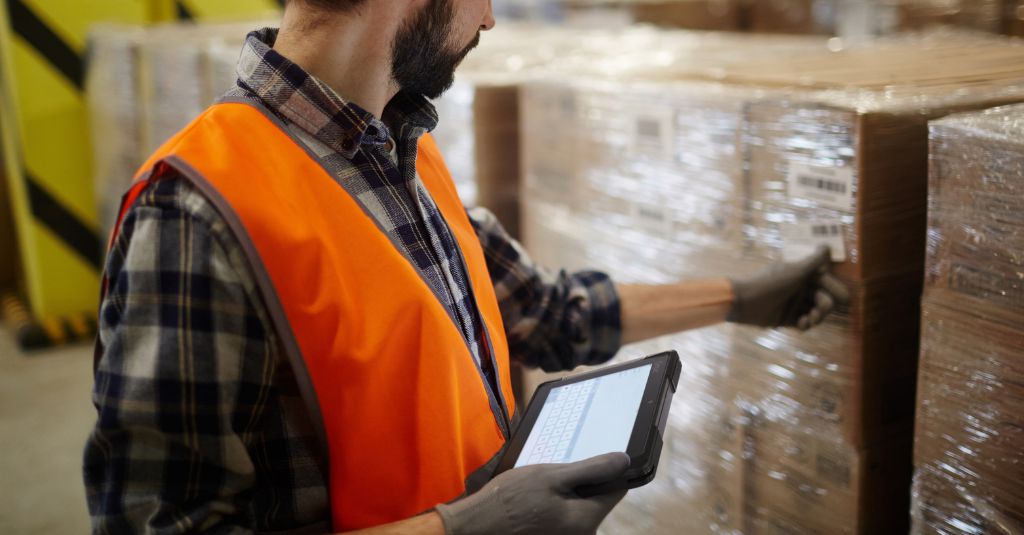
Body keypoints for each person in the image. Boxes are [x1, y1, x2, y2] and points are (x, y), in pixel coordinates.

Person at [83, 0, 849, 533]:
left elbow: (546, 312)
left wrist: (742, 298)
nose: (488, 18)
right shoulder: (193, 214)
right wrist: (464, 527)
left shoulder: (402, 157)